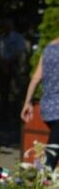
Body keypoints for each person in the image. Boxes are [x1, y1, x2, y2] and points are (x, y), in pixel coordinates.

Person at [21, 37, 59, 170]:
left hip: (47, 106)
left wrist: (27, 102)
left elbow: (36, 77)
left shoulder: (49, 48)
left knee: (55, 144)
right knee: (53, 150)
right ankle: (45, 175)